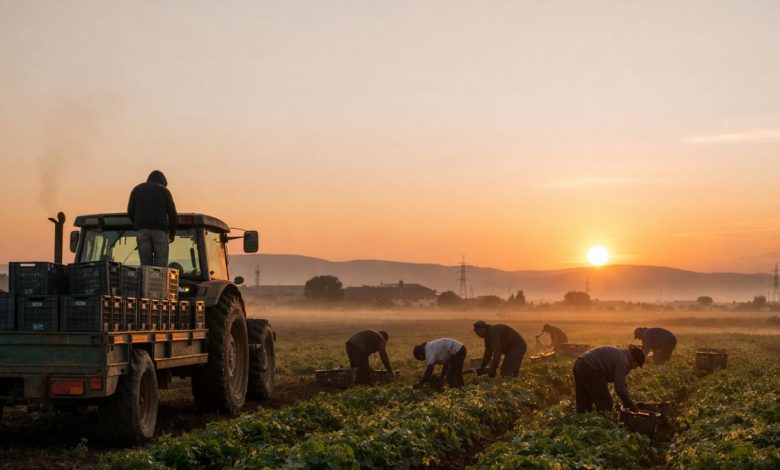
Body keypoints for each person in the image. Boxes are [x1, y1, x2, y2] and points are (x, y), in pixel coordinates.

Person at [127, 170, 177, 268]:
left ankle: (146, 281)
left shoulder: (136, 189)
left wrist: (138, 224)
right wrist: (172, 233)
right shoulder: (164, 191)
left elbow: (130, 211)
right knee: (161, 264)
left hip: (142, 230)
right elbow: (173, 214)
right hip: (160, 230)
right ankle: (159, 282)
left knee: (145, 264)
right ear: (163, 182)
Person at [573, 345, 645, 413]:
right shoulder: (624, 361)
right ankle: (603, 424)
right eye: (637, 365)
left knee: (584, 402)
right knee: (605, 403)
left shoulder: (623, 355)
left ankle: (582, 422)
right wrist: (630, 404)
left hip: (580, 362)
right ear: (634, 359)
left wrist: (628, 401)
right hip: (591, 367)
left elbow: (622, 384)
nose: (635, 368)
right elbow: (619, 388)